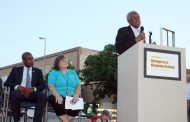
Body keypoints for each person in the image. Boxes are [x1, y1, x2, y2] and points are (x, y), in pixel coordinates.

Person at [4, 52, 47, 122]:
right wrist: (18, 87)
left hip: (32, 93)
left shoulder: (38, 71)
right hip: (20, 93)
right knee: (14, 94)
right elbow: (7, 82)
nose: (32, 60)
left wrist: (33, 89)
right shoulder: (15, 70)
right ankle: (17, 120)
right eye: (29, 59)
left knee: (43, 96)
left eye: (32, 58)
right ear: (24, 60)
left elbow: (42, 85)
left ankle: (37, 121)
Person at [48, 55, 81, 122]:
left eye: (66, 60)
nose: (66, 61)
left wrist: (76, 95)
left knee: (77, 104)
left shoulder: (73, 72)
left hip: (71, 96)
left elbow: (78, 86)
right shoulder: (54, 72)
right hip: (56, 94)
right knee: (59, 102)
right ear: (58, 64)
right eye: (63, 61)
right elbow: (51, 86)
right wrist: (57, 95)